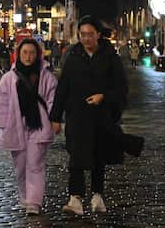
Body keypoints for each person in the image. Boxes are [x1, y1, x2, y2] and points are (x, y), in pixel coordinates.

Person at [50, 17, 140, 215]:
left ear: (98, 34)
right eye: (82, 34)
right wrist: (55, 117)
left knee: (98, 156)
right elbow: (63, 87)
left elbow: (121, 88)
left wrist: (104, 97)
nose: (86, 38)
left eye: (90, 34)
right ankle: (75, 198)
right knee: (76, 156)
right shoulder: (73, 56)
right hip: (77, 115)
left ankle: (97, 195)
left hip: (101, 116)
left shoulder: (110, 58)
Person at [0, 39, 60, 214]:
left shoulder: (46, 77)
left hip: (39, 125)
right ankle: (25, 196)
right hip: (16, 125)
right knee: (21, 165)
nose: (28, 57)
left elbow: (53, 100)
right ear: (18, 54)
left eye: (32, 53)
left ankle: (34, 201)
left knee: (35, 163)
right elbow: (1, 102)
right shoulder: (9, 78)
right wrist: (4, 124)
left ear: (38, 55)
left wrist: (54, 119)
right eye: (25, 53)